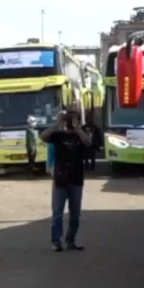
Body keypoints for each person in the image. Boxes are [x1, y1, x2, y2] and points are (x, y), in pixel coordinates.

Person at [41, 103, 92, 252]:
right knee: (57, 213)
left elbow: (88, 143)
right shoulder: (58, 135)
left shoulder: (81, 135)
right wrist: (57, 124)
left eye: (74, 118)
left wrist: (78, 129)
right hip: (60, 179)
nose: (71, 121)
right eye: (69, 118)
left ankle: (71, 240)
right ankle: (56, 241)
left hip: (76, 179)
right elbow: (43, 137)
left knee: (75, 214)